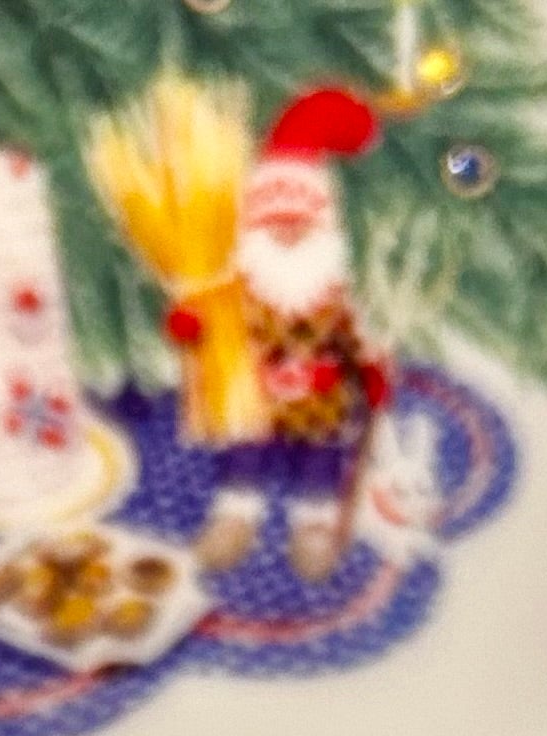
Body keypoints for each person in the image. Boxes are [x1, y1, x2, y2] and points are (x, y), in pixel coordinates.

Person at [167, 85, 391, 585]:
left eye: (301, 224)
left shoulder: (333, 295)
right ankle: (235, 515)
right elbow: (209, 317)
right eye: (275, 224)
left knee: (322, 456)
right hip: (256, 397)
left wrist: (370, 369)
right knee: (243, 446)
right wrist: (192, 323)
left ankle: (313, 523)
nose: (289, 233)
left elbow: (356, 339)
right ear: (254, 232)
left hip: (319, 401)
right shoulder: (242, 290)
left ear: (325, 229)